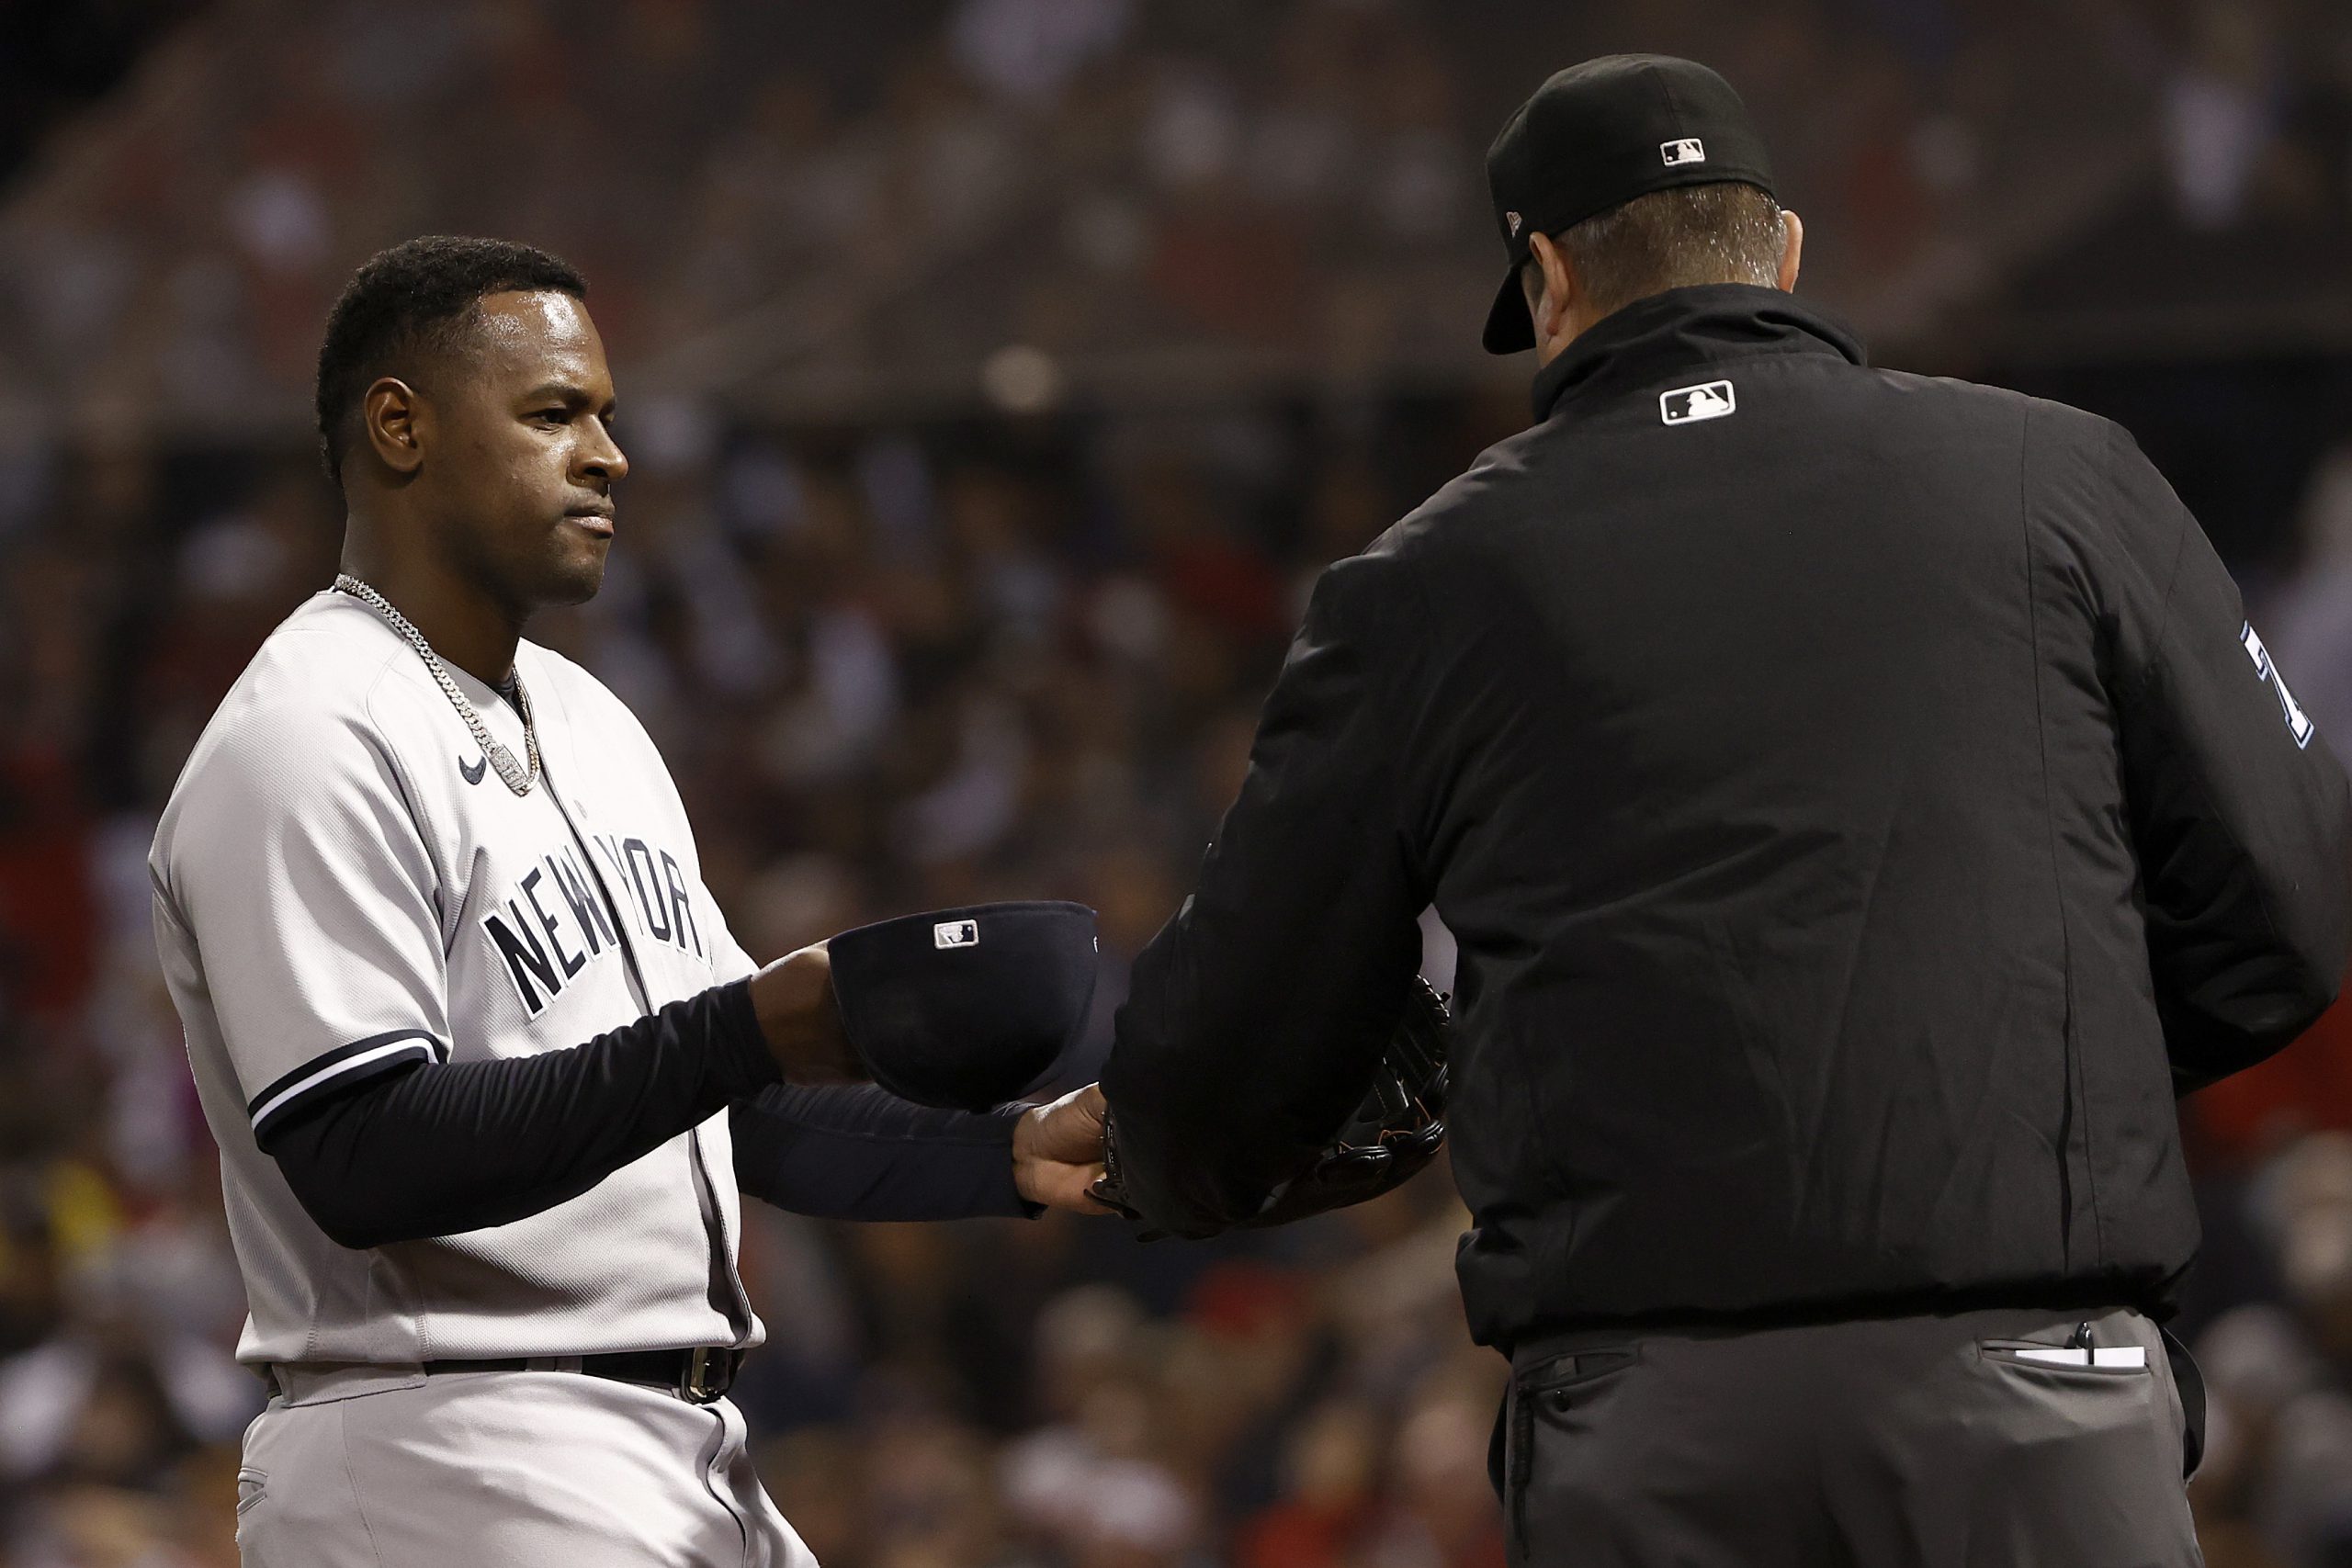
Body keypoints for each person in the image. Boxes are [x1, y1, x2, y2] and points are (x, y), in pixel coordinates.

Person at [1097, 54, 2352, 1567]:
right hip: (2039, 1397)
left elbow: (1228, 1047)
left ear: (1546, 278)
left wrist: (1154, 1159)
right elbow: (2294, 902)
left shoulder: (1427, 584)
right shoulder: (2060, 477)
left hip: (1656, 1431)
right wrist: (2034, 1064)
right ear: (1787, 249)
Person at [147, 235, 1107, 1568]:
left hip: (667, 1449)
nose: (610, 456)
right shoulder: (306, 731)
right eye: (554, 413)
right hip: (451, 1452)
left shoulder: (593, 723)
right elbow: (359, 1155)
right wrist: (745, 1030)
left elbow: (727, 1112)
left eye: (606, 416)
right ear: (400, 427)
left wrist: (1007, 1152)